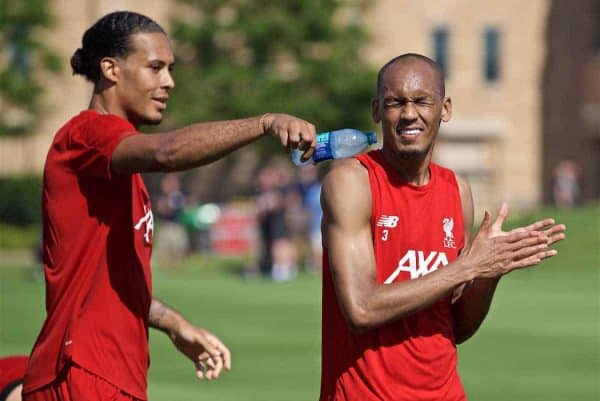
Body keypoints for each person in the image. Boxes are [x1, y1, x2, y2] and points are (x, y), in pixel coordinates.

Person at [23, 11, 316, 401]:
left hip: (109, 375)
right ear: (111, 69)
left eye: (170, 69)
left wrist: (175, 324)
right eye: (155, 68)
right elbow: (168, 152)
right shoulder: (87, 134)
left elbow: (113, 285)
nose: (169, 82)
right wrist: (264, 123)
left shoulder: (121, 169)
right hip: (83, 372)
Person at [319, 53, 566, 401]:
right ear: (376, 110)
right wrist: (468, 266)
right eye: (395, 103)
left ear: (445, 109)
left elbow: (455, 326)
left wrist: (489, 272)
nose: (409, 114)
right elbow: (361, 308)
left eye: (422, 101)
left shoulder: (457, 190)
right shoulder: (351, 182)